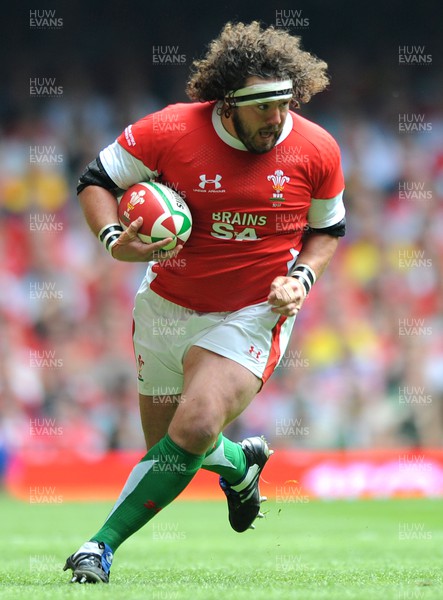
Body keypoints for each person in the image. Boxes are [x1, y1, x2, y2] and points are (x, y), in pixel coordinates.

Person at [64, 21, 345, 584]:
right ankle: (240, 465)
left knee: (192, 429)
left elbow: (329, 229)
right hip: (165, 305)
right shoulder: (168, 130)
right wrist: (114, 241)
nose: (277, 117)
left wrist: (302, 278)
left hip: (252, 312)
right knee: (168, 448)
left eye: (284, 102)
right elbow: (96, 178)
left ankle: (97, 547)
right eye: (262, 106)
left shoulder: (316, 148)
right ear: (228, 102)